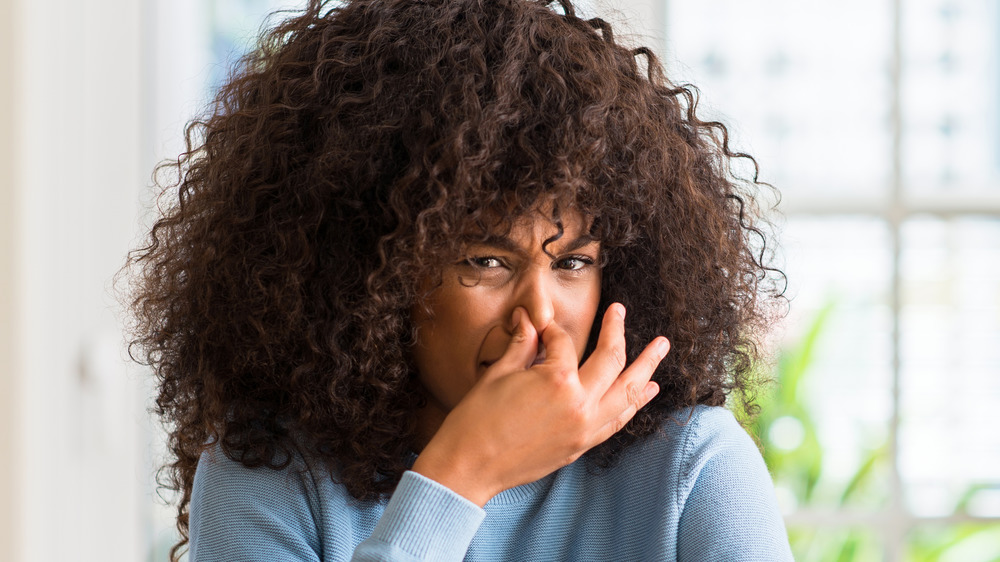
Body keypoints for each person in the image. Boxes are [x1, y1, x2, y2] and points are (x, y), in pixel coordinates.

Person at [126, 0, 792, 560]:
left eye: (572, 263)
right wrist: (462, 475)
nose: (540, 316)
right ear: (371, 276)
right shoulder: (269, 471)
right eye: (486, 261)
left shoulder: (691, 470)